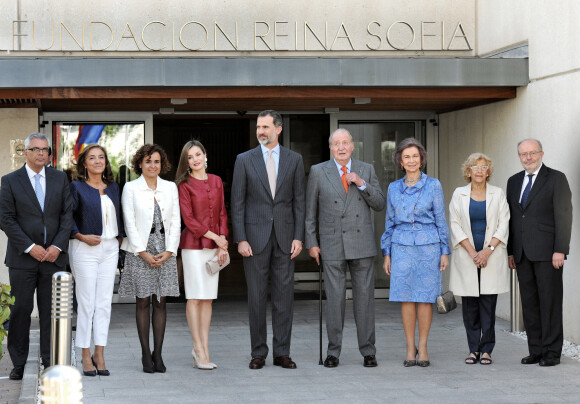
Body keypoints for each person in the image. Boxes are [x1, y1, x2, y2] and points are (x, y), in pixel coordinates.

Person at [231, 110, 305, 370]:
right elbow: (237, 202)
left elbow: (299, 201)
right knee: (257, 298)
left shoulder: (294, 160)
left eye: (265, 127)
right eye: (258, 127)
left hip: (286, 239)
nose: (261, 131)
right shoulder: (244, 160)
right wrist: (240, 238)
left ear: (279, 129)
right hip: (254, 239)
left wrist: (299, 236)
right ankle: (258, 353)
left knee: (285, 297)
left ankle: (282, 352)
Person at [305, 128, 385, 368]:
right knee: (335, 301)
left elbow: (379, 203)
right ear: (331, 147)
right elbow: (310, 212)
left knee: (365, 301)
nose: (341, 147)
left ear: (352, 146)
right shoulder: (318, 171)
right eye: (336, 143)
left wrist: (361, 183)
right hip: (331, 244)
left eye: (345, 143)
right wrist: (312, 242)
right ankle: (333, 352)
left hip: (361, 245)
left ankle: (368, 351)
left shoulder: (366, 170)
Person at [0, 132, 73, 380]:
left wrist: (57, 246)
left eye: (45, 150)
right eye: (36, 149)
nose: (41, 153)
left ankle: (49, 360)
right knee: (21, 310)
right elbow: (6, 219)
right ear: (26, 152)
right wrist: (31, 247)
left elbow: (67, 215)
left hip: (53, 257)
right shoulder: (10, 181)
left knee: (50, 312)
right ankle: (18, 363)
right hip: (23, 258)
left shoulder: (60, 178)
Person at [381, 138, 450, 368]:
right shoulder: (393, 188)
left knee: (425, 299)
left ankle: (424, 347)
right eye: (406, 157)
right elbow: (389, 222)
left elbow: (441, 220)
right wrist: (387, 252)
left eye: (415, 156)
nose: (411, 161)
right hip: (400, 247)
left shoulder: (434, 185)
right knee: (406, 298)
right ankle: (410, 348)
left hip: (428, 247)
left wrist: (444, 251)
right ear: (400, 161)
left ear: (422, 160)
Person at [506, 139, 572, 367]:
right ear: (519, 156)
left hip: (548, 253)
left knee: (550, 303)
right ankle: (535, 350)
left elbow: (564, 215)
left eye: (532, 153)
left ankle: (552, 353)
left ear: (541, 153)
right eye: (523, 154)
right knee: (530, 304)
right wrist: (511, 251)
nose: (528, 158)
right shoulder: (513, 182)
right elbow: (512, 220)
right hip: (522, 254)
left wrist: (560, 249)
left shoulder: (556, 178)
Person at [118, 144, 181, 373]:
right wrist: (141, 251)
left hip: (165, 250)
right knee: (143, 301)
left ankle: (159, 354)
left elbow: (175, 220)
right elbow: (129, 221)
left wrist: (170, 250)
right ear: (140, 164)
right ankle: (146, 353)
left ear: (161, 164)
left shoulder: (170, 187)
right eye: (147, 161)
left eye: (156, 161)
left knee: (160, 302)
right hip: (139, 251)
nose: (152, 165)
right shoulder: (131, 188)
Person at [448, 153, 510, 366]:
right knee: (470, 307)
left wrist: (487, 251)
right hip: (467, 257)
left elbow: (504, 224)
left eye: (484, 167)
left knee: (487, 307)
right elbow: (454, 224)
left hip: (490, 257)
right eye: (475, 167)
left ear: (488, 171)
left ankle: (487, 350)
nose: (479, 170)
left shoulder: (498, 194)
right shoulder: (459, 194)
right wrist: (472, 252)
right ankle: (473, 349)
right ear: (468, 171)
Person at [69, 144, 124, 376]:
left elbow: (121, 215)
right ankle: (84, 354)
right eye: (92, 158)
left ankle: (99, 353)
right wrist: (80, 235)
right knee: (87, 304)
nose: (97, 161)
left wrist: (119, 240)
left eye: (101, 157)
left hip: (110, 249)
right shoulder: (76, 187)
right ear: (84, 163)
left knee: (104, 304)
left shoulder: (113, 188)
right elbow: (67, 216)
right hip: (84, 248)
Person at [175, 140, 228, 370]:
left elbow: (223, 214)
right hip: (193, 247)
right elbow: (189, 220)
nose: (195, 159)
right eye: (190, 156)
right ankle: (197, 348)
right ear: (186, 161)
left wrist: (222, 242)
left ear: (205, 155)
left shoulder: (217, 181)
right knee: (194, 297)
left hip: (215, 246)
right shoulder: (183, 185)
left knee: (208, 299)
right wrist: (216, 238)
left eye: (198, 154)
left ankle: (205, 348)